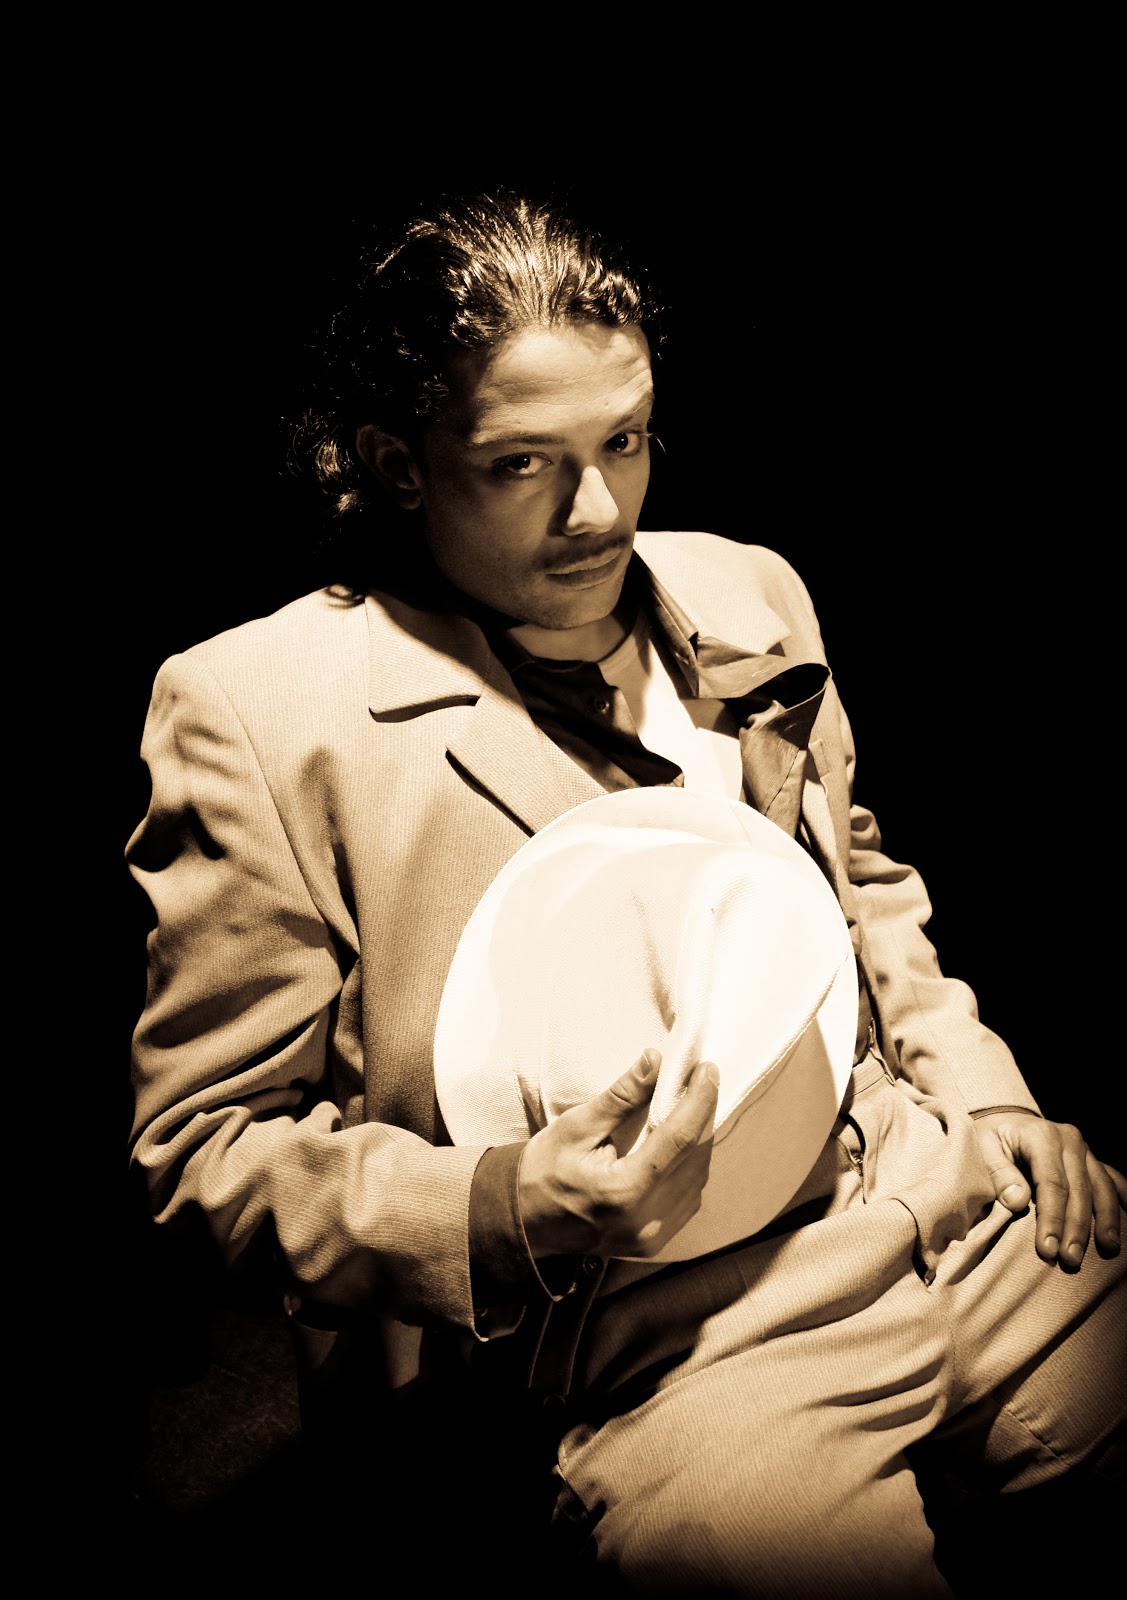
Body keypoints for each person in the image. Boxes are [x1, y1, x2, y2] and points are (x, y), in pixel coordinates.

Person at [127, 191, 1125, 1596]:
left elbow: (857, 877)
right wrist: (505, 1205)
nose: (597, 510)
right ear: (398, 463)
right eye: (521, 464)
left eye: (626, 441)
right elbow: (206, 1155)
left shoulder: (748, 590)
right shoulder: (260, 713)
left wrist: (989, 1093)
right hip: (649, 1332)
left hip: (933, 1191)